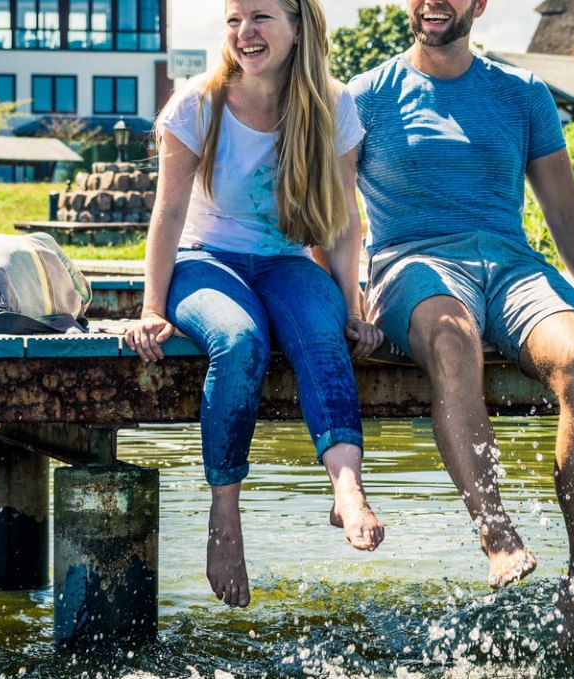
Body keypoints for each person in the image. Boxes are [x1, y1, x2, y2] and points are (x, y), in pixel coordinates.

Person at [348, 0, 574, 638]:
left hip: (512, 266)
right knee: (455, 344)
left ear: (479, 6)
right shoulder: (364, 97)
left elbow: (564, 209)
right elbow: (333, 217)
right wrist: (346, 306)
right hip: (414, 266)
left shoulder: (523, 94)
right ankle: (497, 534)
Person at [120, 0, 385, 609]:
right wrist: (152, 308)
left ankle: (347, 487)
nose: (245, 33)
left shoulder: (332, 104)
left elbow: (343, 223)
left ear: (298, 26)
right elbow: (168, 214)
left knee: (322, 337)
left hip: (288, 263)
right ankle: (225, 515)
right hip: (207, 261)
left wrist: (353, 309)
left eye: (261, 17)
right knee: (240, 342)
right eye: (234, 19)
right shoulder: (197, 103)